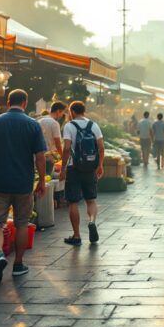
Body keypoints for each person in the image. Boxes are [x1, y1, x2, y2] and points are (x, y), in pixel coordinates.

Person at [0, 89, 46, 285]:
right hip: (24, 183)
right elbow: (40, 157)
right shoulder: (33, 125)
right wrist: (41, 180)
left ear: (8, 102)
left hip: (0, 182)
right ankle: (18, 265)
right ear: (25, 103)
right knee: (22, 223)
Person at [60, 101, 104, 246]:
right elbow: (101, 147)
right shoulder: (94, 125)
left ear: (72, 111)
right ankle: (92, 222)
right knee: (90, 200)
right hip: (90, 167)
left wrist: (63, 167)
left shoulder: (69, 126)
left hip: (74, 168)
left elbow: (66, 148)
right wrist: (100, 165)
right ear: (84, 111)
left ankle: (77, 235)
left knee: (73, 202)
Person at [37, 101, 66, 175]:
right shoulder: (54, 123)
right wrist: (63, 157)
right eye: (62, 112)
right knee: (47, 178)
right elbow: (58, 143)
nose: (62, 115)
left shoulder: (39, 120)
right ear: (58, 111)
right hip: (49, 157)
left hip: (37, 156)